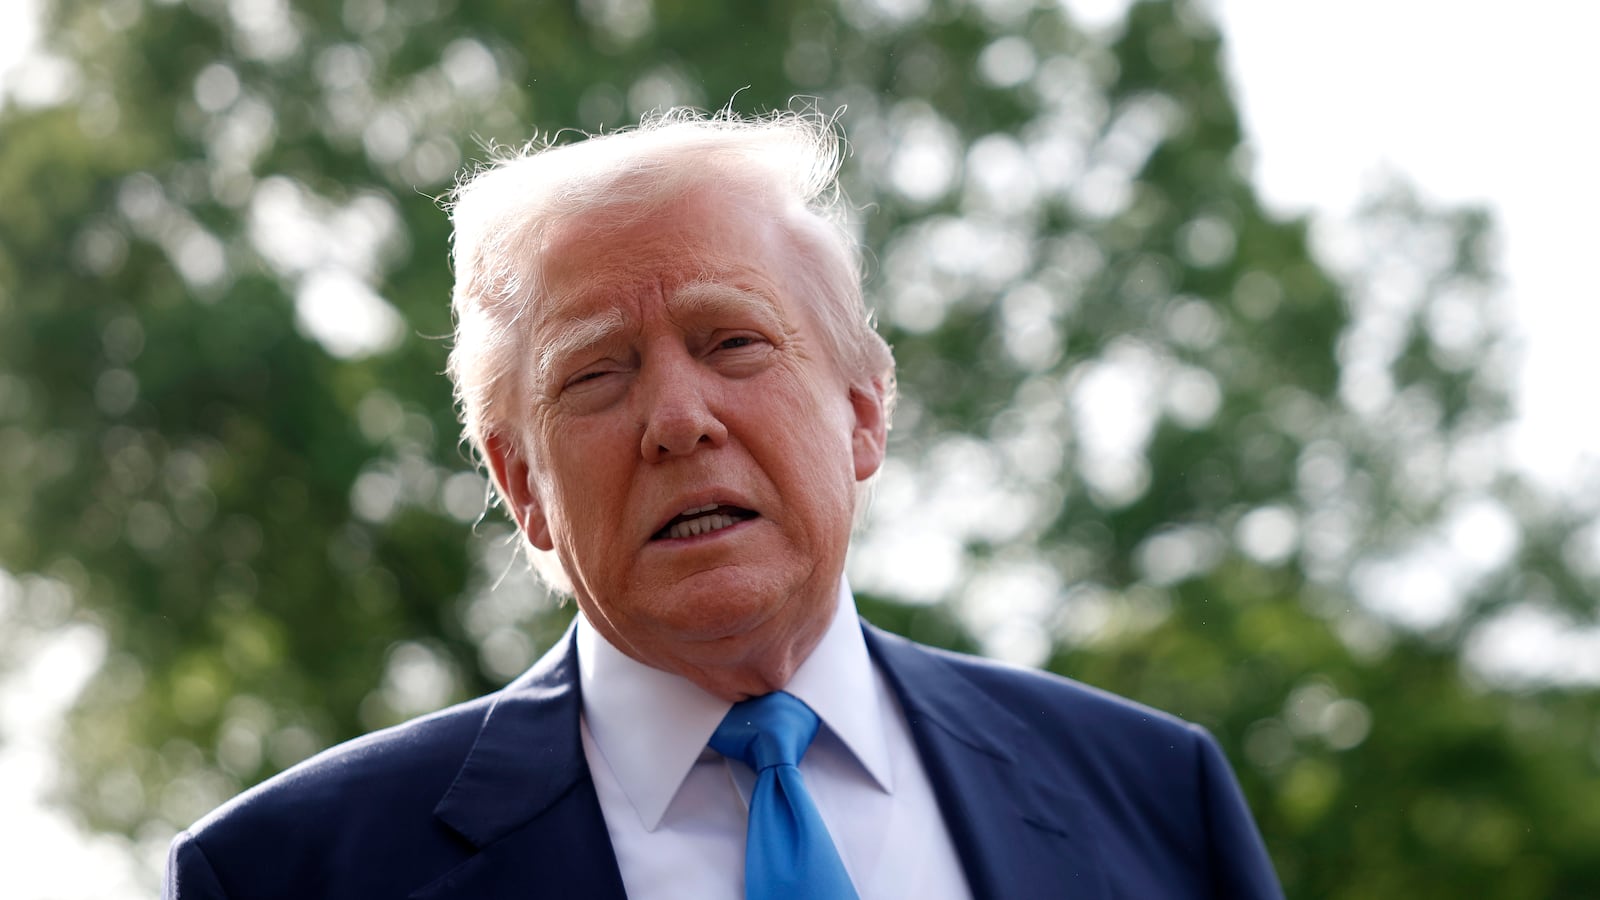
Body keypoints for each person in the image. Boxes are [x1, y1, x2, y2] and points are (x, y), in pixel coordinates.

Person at [164, 109, 1283, 899]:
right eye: (596, 375)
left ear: (863, 411)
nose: (677, 420)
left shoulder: (1153, 797)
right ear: (523, 486)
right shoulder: (285, 875)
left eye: (732, 342)